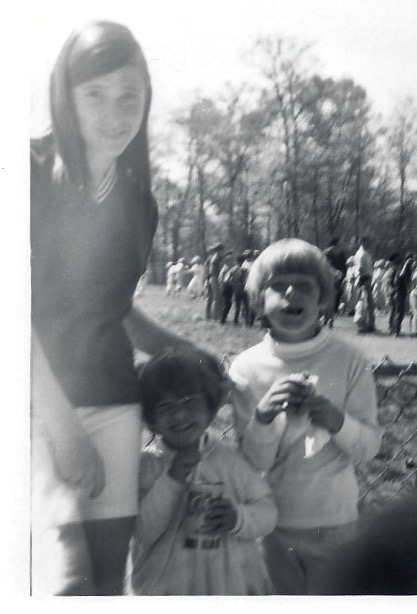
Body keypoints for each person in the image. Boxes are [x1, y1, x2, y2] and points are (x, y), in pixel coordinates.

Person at [31, 20, 221, 596]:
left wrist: (188, 352)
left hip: (115, 403)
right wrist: (62, 425)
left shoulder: (140, 202)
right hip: (32, 411)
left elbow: (116, 311)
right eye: (95, 94)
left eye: (129, 97)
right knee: (64, 584)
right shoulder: (25, 174)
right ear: (64, 93)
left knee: (109, 587)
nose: (116, 114)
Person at [228, 238, 381, 595]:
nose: (291, 292)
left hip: (336, 521)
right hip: (271, 524)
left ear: (324, 299)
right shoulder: (247, 368)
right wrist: (264, 417)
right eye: (277, 286)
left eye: (305, 286)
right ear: (258, 301)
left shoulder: (348, 359)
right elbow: (253, 461)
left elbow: (370, 448)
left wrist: (335, 419)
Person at [129, 349, 277, 595]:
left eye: (189, 401)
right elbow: (143, 531)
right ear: (151, 420)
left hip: (227, 586)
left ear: (210, 409)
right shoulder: (148, 465)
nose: (179, 414)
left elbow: (267, 510)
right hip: (167, 590)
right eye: (165, 407)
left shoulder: (230, 460)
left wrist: (239, 518)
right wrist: (172, 477)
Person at [353, 236, 376, 332]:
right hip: (364, 279)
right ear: (363, 242)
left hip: (365, 279)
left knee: (367, 304)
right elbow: (360, 269)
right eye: (368, 242)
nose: (370, 244)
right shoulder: (361, 254)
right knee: (364, 304)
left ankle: (368, 324)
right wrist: (364, 283)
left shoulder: (364, 253)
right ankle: (363, 325)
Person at [323, 237, 347, 325]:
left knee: (333, 298)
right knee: (328, 298)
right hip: (328, 278)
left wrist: (343, 276)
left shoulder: (341, 254)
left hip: (338, 278)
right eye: (340, 243)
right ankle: (327, 318)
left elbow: (344, 267)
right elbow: (326, 265)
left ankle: (330, 318)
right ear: (336, 243)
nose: (342, 244)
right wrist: (335, 273)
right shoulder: (327, 253)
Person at [228, 254, 250, 325]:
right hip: (243, 288)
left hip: (236, 288)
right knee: (246, 305)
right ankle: (247, 321)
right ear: (243, 261)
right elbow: (247, 279)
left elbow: (228, 280)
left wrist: (233, 286)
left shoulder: (232, 270)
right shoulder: (245, 270)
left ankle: (235, 320)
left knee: (237, 306)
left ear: (236, 261)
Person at [205, 243, 225, 320]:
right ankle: (215, 317)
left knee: (216, 298)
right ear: (219, 250)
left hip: (214, 278)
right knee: (216, 298)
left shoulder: (216, 257)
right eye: (222, 250)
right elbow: (213, 271)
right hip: (214, 278)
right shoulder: (216, 258)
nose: (223, 251)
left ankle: (216, 316)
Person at [219, 251, 235, 324]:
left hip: (228, 287)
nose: (232, 261)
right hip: (226, 287)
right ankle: (222, 320)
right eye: (231, 260)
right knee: (227, 304)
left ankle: (223, 319)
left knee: (227, 304)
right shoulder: (226, 269)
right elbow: (224, 279)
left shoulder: (226, 268)